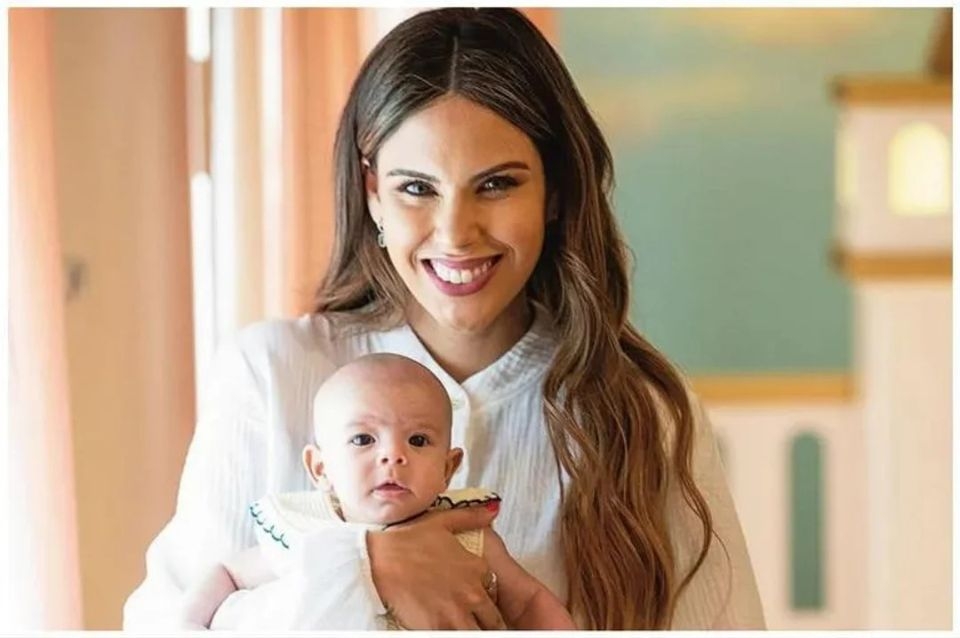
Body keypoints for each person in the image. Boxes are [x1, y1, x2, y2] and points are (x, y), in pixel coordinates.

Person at [124, 7, 766, 630]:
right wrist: (365, 566)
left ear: (555, 192)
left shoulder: (647, 412)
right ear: (373, 193)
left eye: (497, 184)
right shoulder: (269, 374)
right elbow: (166, 621)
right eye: (417, 187)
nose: (456, 234)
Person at [175, 353, 576, 630]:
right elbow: (227, 574)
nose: (393, 455)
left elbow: (528, 601)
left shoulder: (470, 538)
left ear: (448, 468)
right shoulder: (305, 532)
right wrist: (187, 625)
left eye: (418, 440)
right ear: (321, 468)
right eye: (364, 439)